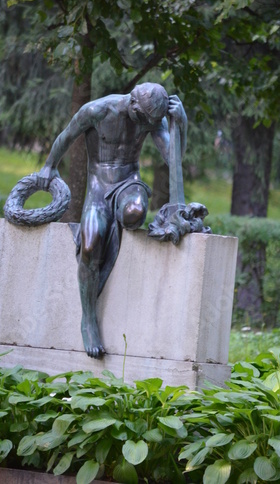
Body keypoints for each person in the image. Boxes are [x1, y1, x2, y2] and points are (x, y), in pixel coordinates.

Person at [37, 82, 188, 358]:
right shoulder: (96, 110)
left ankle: (118, 223)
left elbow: (172, 158)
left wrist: (181, 124)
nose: (146, 125)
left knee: (134, 215)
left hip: (128, 183)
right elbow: (66, 135)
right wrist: (49, 166)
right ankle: (89, 319)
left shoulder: (152, 118)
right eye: (144, 119)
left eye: (151, 122)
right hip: (97, 187)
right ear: (132, 104)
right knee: (90, 246)